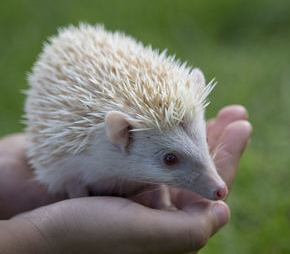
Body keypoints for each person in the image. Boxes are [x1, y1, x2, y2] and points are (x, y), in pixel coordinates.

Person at [0, 105, 252, 254]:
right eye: (170, 159)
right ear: (123, 135)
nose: (217, 185)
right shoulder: (76, 162)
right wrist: (40, 237)